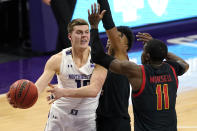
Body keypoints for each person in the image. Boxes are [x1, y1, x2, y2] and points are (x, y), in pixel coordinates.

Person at [47, 2, 134, 131]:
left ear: (125, 47)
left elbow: (108, 23)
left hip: (117, 123)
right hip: (98, 122)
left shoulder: (123, 61)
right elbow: (96, 58)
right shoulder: (101, 62)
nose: (112, 37)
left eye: (119, 37)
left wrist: (94, 26)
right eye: (113, 35)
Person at [90, 21, 189, 131]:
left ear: (147, 56)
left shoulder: (137, 72)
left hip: (117, 123)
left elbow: (98, 56)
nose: (111, 39)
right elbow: (184, 64)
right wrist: (159, 48)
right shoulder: (172, 69)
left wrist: (94, 27)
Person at [8, 18, 100, 131]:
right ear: (70, 36)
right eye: (79, 32)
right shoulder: (57, 59)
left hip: (87, 119)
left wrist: (63, 92)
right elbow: (38, 88)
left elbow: (94, 90)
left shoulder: (98, 59)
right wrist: (21, 98)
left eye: (86, 32)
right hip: (60, 116)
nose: (84, 36)